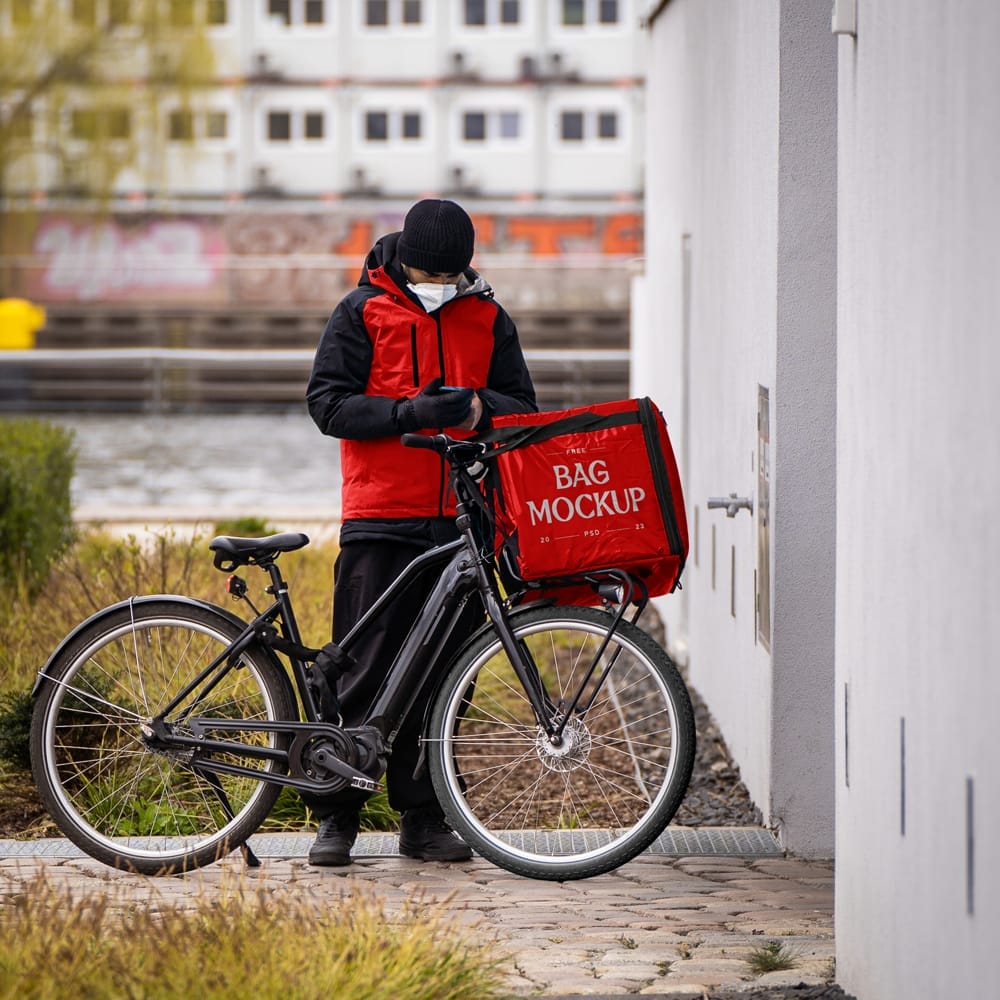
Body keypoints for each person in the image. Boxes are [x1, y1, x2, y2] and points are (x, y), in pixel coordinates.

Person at [305, 198, 537, 866]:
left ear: (464, 269)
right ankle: (336, 814)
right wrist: (406, 410)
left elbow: (523, 408)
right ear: (402, 260)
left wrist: (473, 408)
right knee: (358, 670)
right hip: (379, 516)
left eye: (448, 274)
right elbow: (327, 404)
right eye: (426, 273)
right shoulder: (360, 312)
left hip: (462, 519)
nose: (437, 284)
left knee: (443, 674)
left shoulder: (489, 318)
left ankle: (424, 818)